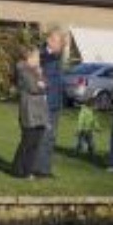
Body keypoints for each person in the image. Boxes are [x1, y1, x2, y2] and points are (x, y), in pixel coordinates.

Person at [33, 29, 66, 179]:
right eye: (60, 42)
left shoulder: (57, 57)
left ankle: (45, 168)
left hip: (56, 104)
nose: (63, 45)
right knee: (44, 136)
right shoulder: (42, 56)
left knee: (51, 137)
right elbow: (38, 79)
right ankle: (38, 168)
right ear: (50, 41)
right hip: (45, 102)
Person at [12, 47, 49, 179]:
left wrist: (41, 79)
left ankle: (27, 170)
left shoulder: (35, 70)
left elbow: (46, 84)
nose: (39, 60)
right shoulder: (22, 69)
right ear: (30, 58)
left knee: (35, 142)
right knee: (28, 141)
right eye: (37, 57)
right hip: (29, 110)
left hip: (39, 110)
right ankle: (18, 169)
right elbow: (33, 87)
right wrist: (40, 82)